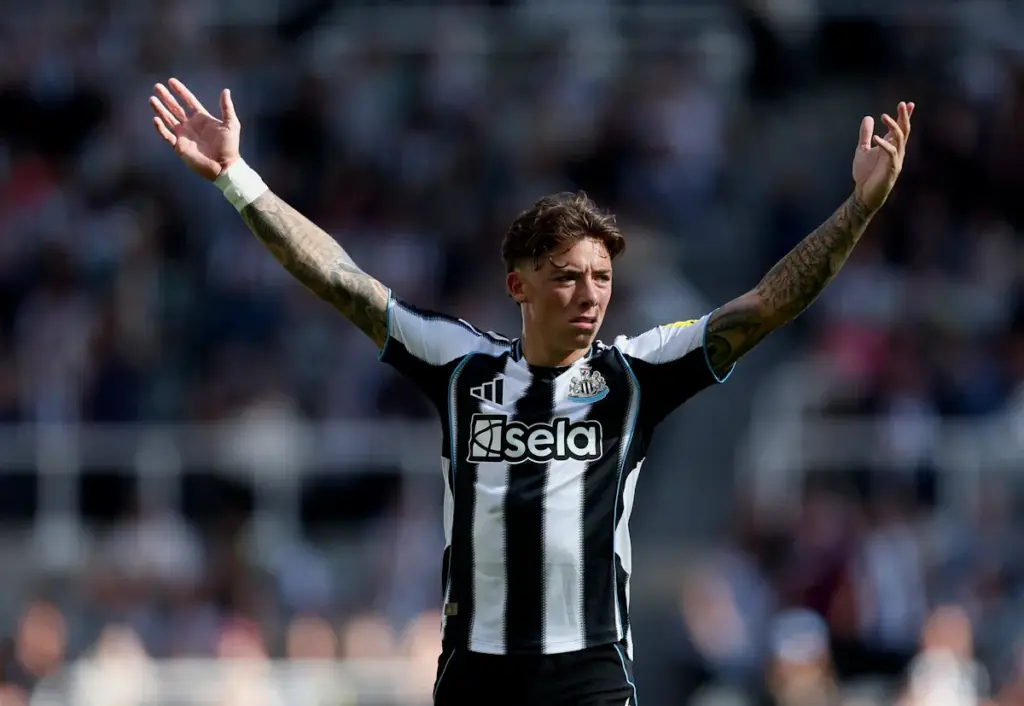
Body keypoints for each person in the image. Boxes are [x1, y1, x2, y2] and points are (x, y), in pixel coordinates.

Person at [149, 78, 913, 705]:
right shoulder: (460, 363)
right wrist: (237, 179)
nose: (590, 294)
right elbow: (342, 278)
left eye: (604, 278)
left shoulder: (634, 373)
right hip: (477, 672)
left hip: (589, 672)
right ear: (520, 284)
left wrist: (859, 209)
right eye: (569, 276)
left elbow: (767, 305)